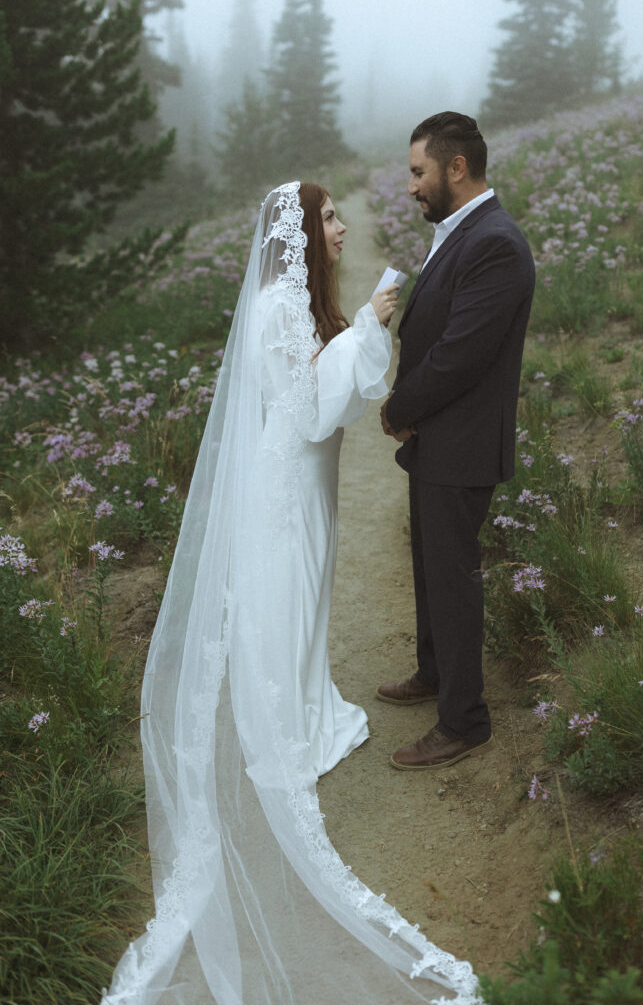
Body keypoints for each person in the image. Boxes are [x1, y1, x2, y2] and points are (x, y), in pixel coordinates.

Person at [101, 181, 482, 1005]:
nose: (342, 228)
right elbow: (311, 412)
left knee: (306, 596)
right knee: (289, 588)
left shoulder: (301, 298)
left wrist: (356, 331)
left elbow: (321, 396)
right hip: (286, 477)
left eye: (341, 216)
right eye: (330, 219)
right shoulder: (279, 305)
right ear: (299, 233)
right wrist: (372, 327)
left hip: (307, 477)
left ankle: (307, 702)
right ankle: (290, 721)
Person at [378, 112, 535, 771]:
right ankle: (435, 671)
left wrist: (398, 407)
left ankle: (464, 720)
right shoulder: (459, 231)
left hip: (461, 440)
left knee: (452, 577)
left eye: (417, 172)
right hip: (439, 437)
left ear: (456, 168)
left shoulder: (495, 241)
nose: (411, 187)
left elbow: (460, 355)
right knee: (430, 566)